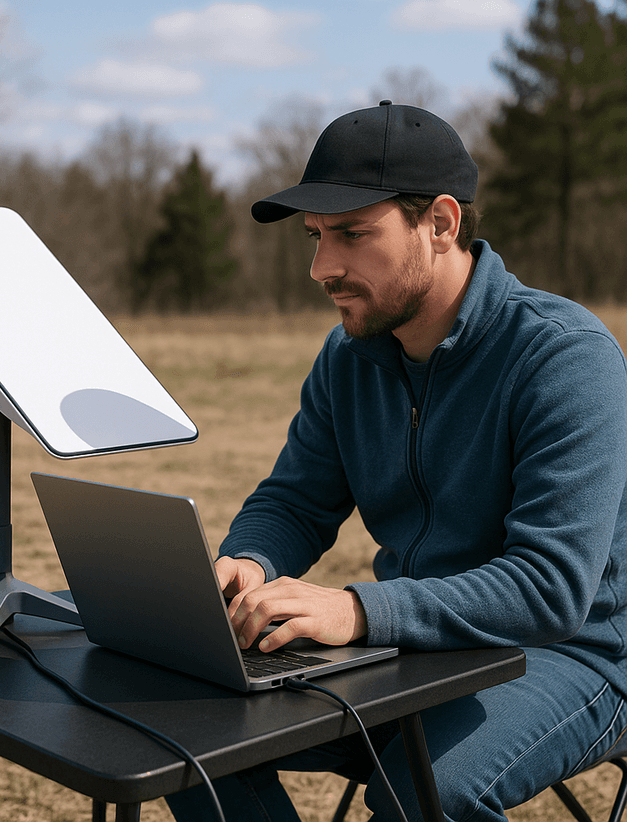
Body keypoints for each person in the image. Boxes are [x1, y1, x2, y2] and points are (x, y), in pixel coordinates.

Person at [165, 100, 627, 822]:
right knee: (188, 738)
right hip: (416, 645)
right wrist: (247, 565)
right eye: (315, 236)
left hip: (577, 654)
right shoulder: (348, 357)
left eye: (352, 234)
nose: (322, 267)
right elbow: (296, 500)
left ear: (441, 224)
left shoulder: (564, 357)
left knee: (423, 792)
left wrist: (356, 609)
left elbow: (552, 589)